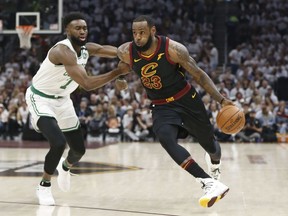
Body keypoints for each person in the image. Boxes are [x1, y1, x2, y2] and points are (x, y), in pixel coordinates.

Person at [117, 15, 234, 208]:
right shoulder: (126, 51)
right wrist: (119, 80)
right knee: (165, 138)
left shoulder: (174, 49)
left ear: (152, 31)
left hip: (186, 100)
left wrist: (221, 100)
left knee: (211, 147)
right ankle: (208, 182)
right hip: (161, 105)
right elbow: (121, 68)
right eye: (134, 33)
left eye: (142, 33)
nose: (137, 37)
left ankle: (215, 164)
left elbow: (199, 75)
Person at [25, 12, 130, 206]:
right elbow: (87, 84)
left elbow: (113, 51)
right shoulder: (62, 51)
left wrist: (133, 53)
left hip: (63, 100)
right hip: (41, 99)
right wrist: (118, 72)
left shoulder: (86, 49)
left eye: (84, 28)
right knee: (57, 143)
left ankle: (65, 167)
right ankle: (44, 185)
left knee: (79, 150)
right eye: (77, 28)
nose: (82, 31)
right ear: (67, 30)